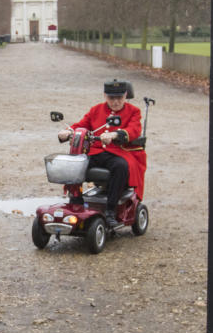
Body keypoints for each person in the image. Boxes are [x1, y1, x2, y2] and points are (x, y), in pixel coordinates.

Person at [57, 79, 146, 228]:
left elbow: (134, 129)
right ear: (105, 95)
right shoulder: (96, 110)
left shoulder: (133, 111)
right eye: (112, 98)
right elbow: (82, 125)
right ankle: (76, 200)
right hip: (97, 151)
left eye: (119, 98)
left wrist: (115, 135)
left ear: (125, 95)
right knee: (76, 162)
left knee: (120, 166)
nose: (116, 102)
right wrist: (68, 132)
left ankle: (111, 210)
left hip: (120, 152)